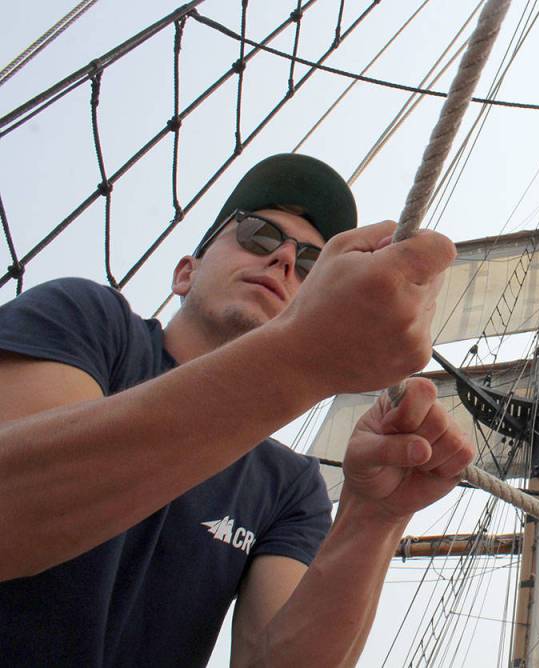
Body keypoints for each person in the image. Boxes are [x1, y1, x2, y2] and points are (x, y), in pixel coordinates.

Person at [0, 153, 475, 666]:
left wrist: (375, 516)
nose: (285, 259)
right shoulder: (88, 322)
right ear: (186, 273)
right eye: (258, 236)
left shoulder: (291, 486)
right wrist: (302, 360)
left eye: (310, 265)